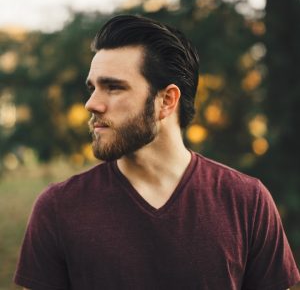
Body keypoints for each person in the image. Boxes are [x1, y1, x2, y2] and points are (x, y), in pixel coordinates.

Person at [15, 14, 299, 290]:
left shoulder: (247, 202)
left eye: (113, 87)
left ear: (166, 100)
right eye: (93, 88)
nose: (92, 104)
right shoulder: (58, 208)